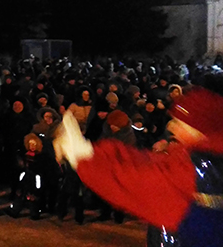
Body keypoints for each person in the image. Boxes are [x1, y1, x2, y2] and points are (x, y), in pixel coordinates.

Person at [54, 87, 223, 247]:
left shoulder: (202, 165)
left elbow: (143, 182)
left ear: (199, 130)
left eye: (180, 123)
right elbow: (148, 162)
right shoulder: (200, 155)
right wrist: (89, 152)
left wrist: (82, 155)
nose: (172, 127)